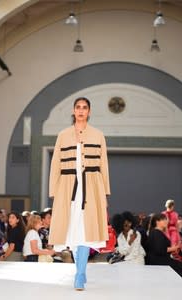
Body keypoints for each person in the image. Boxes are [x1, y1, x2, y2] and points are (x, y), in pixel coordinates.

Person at [48, 97, 110, 290]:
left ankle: (80, 275)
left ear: (89, 112)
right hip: (67, 187)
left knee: (84, 231)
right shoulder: (63, 135)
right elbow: (55, 164)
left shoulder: (98, 135)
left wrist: (104, 191)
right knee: (71, 231)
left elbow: (103, 165)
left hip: (91, 186)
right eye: (78, 107)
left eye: (84, 107)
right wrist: (54, 189)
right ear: (73, 111)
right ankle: (79, 272)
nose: (81, 110)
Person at [146, 213, 182, 283]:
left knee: (181, 266)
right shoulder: (156, 233)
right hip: (158, 261)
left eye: (166, 219)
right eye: (163, 219)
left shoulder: (156, 232)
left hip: (158, 259)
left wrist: (176, 247)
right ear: (157, 222)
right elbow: (160, 250)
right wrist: (177, 247)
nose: (166, 221)